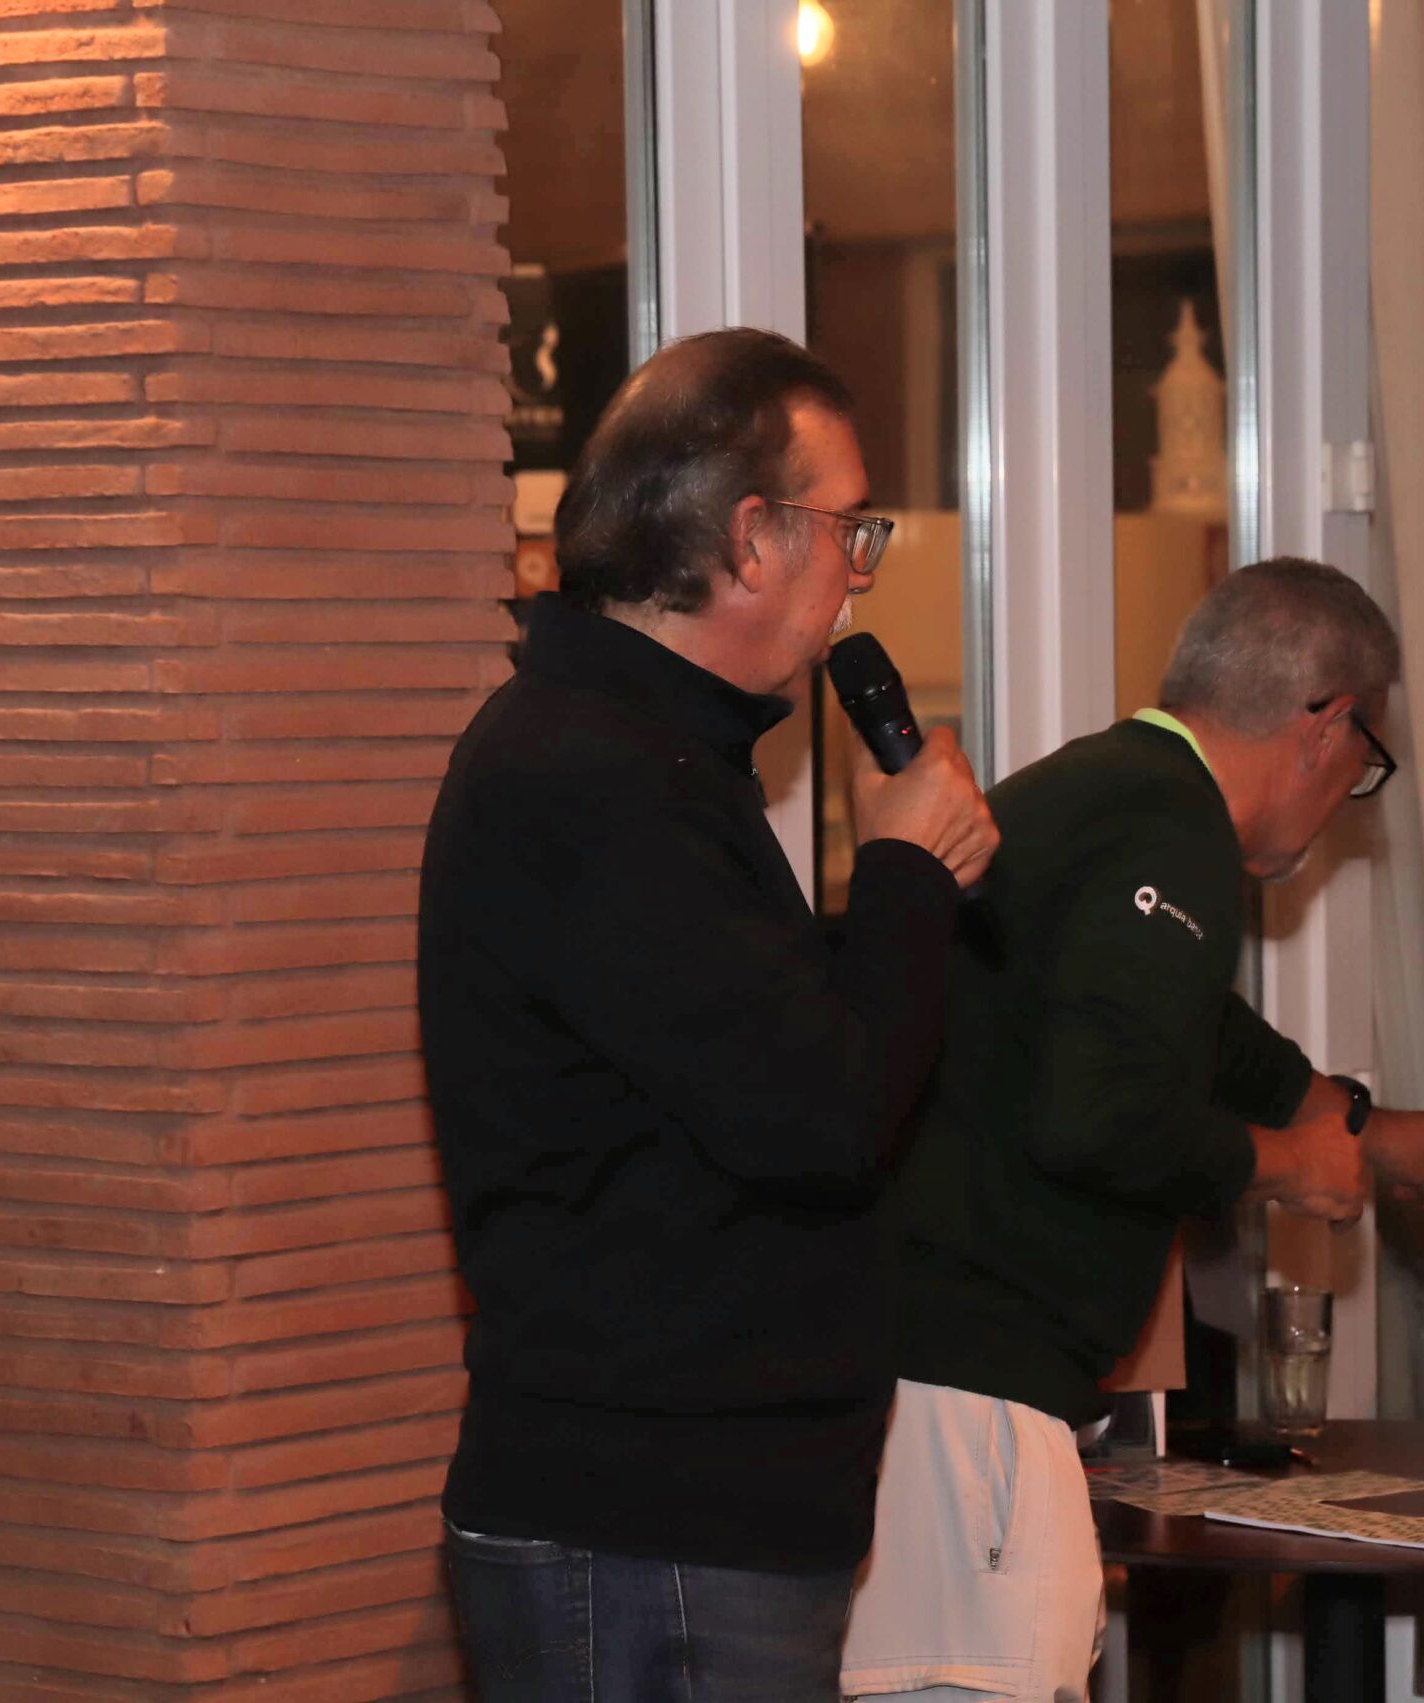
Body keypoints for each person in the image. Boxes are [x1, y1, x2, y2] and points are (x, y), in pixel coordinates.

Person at [417, 328, 998, 1701]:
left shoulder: (660, 758)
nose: (861, 570)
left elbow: (747, 1070)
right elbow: (821, 1118)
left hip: (697, 1514)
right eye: (849, 528)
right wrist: (905, 871)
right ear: (749, 538)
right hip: (648, 1524)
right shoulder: (590, 778)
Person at [841, 559, 1424, 1703]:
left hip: (920, 1374)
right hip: (973, 1394)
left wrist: (1351, 1121)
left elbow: (1182, 1020)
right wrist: (1287, 1165)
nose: (1348, 793)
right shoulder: (1173, 831)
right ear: (1327, 724)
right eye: (1364, 762)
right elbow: (1097, 1114)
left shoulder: (1102, 786)